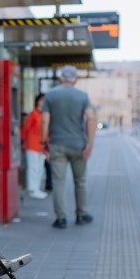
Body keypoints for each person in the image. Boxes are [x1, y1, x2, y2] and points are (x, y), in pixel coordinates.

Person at [41, 65, 96, 229]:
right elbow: (91, 118)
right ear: (76, 80)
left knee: (58, 182)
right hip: (78, 144)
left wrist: (44, 141)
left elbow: (45, 120)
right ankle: (82, 214)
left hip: (57, 144)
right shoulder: (83, 96)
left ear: (60, 79)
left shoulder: (50, 95)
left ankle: (61, 218)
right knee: (80, 181)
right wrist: (90, 143)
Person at [20, 93, 48, 199]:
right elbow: (26, 129)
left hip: (41, 145)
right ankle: (32, 189)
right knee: (33, 168)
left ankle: (36, 188)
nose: (43, 102)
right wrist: (23, 140)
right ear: (37, 101)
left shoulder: (44, 115)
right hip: (32, 144)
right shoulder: (33, 114)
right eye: (41, 100)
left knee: (40, 168)